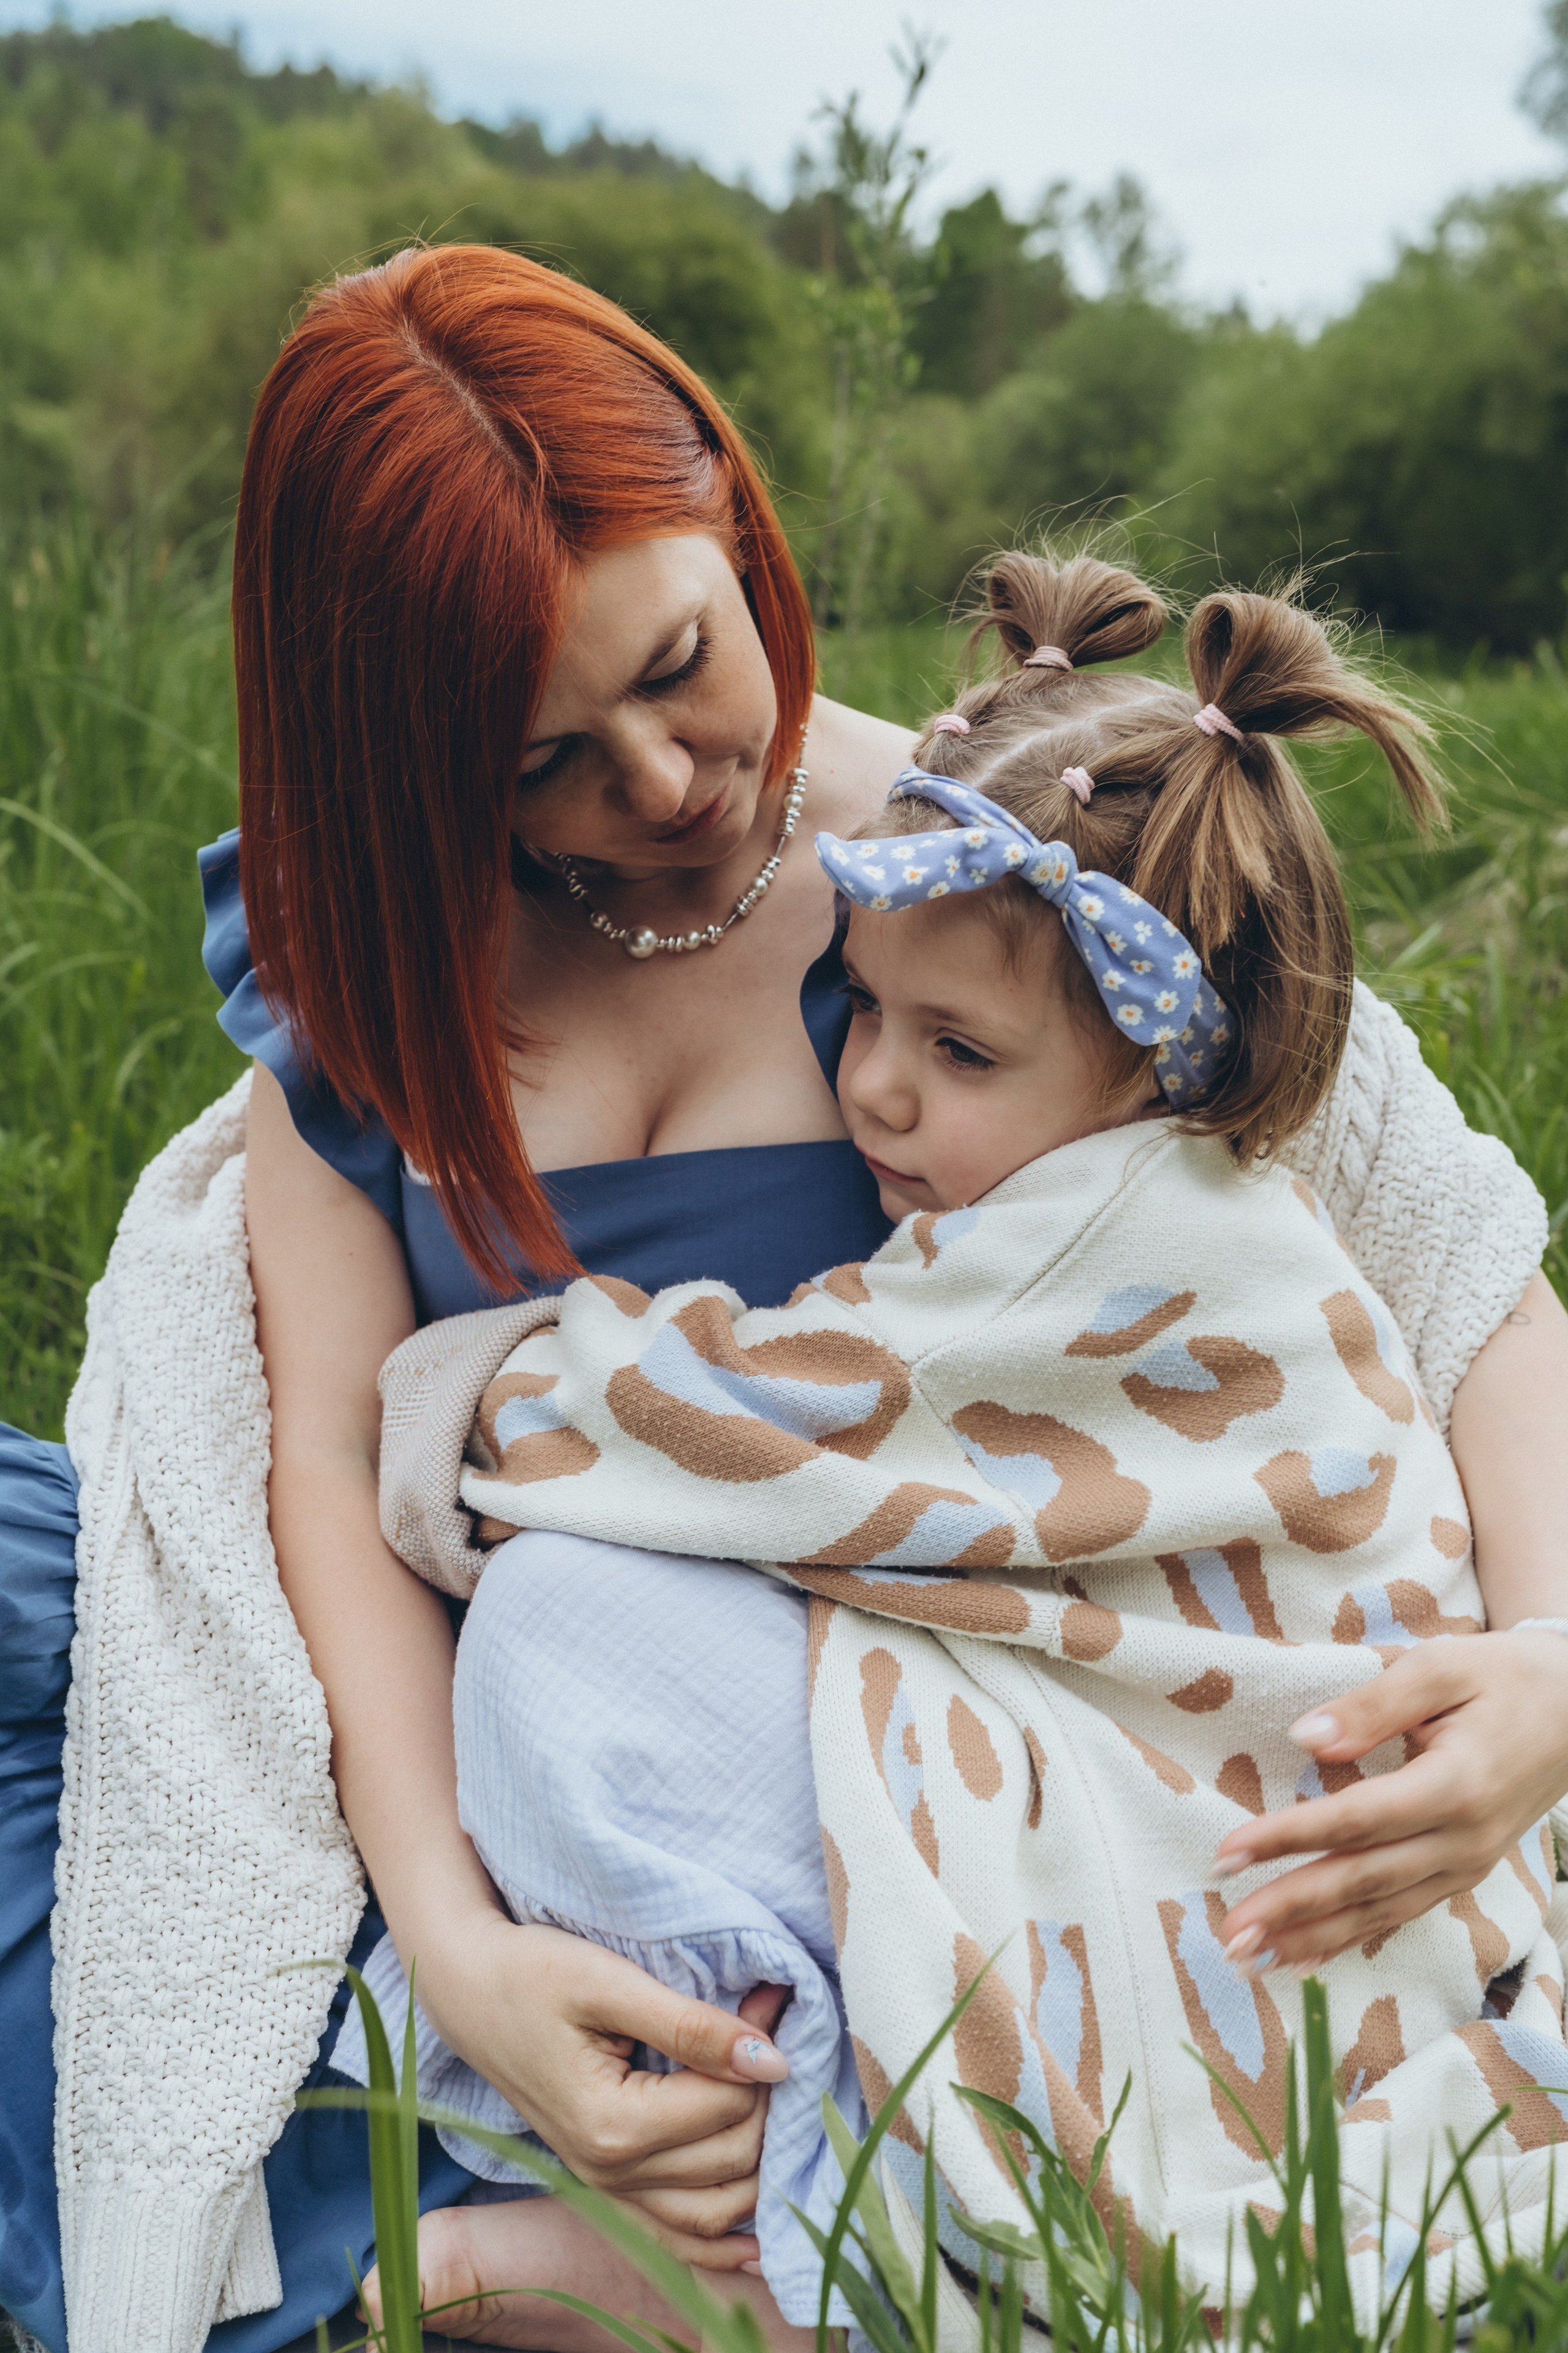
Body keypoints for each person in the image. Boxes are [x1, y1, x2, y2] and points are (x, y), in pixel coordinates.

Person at [2, 246, 1567, 2353]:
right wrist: (462, 1945)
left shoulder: (996, 870)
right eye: (542, 757)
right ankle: (492, 2142)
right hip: (493, 1786)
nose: (658, 784)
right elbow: (323, 1460)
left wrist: (1551, 1678)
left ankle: (521, 2246)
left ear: (741, 529)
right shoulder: (367, 964)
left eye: (682, 662)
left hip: (896, 1760)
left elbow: (1463, 1288)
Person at [371, 559, 1568, 2331]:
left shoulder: (1107, 1242)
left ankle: (774, 2262)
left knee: (558, 1634)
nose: (875, 1089)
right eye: (861, 1008)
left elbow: (751, 1424)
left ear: (1161, 1064)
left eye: (960, 1046)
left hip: (1253, 1856)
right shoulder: (1140, 1190)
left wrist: (453, 1387)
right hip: (1205, 1808)